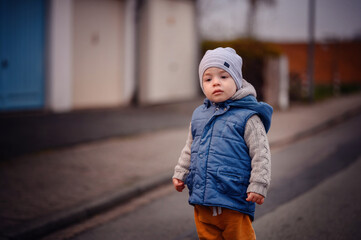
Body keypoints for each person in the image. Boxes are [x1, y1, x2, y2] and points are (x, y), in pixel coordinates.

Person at [172, 47, 273, 240]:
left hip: (233, 198)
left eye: (224, 77)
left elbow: (261, 153)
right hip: (203, 200)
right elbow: (190, 148)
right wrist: (181, 172)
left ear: (236, 80)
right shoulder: (199, 115)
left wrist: (259, 184)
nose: (215, 82)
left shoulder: (248, 117)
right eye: (208, 79)